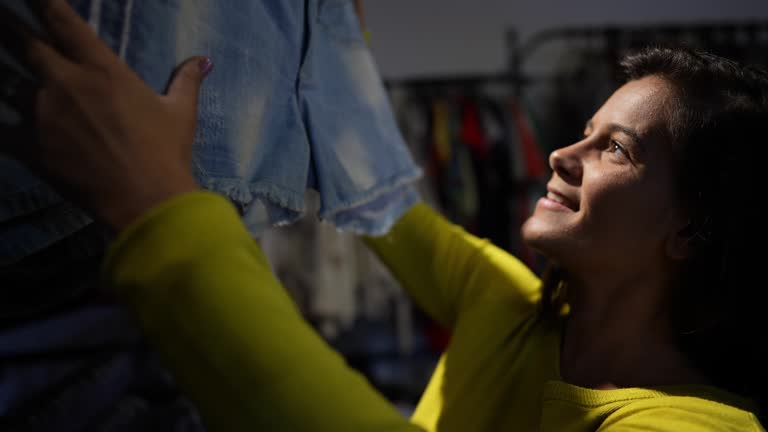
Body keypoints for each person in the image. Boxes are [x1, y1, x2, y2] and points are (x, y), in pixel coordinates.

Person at [2, 1, 766, 431]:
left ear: (692, 230)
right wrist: (332, 38)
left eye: (617, 151)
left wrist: (157, 202)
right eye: (584, 131)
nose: (564, 153)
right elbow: (387, 199)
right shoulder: (507, 308)